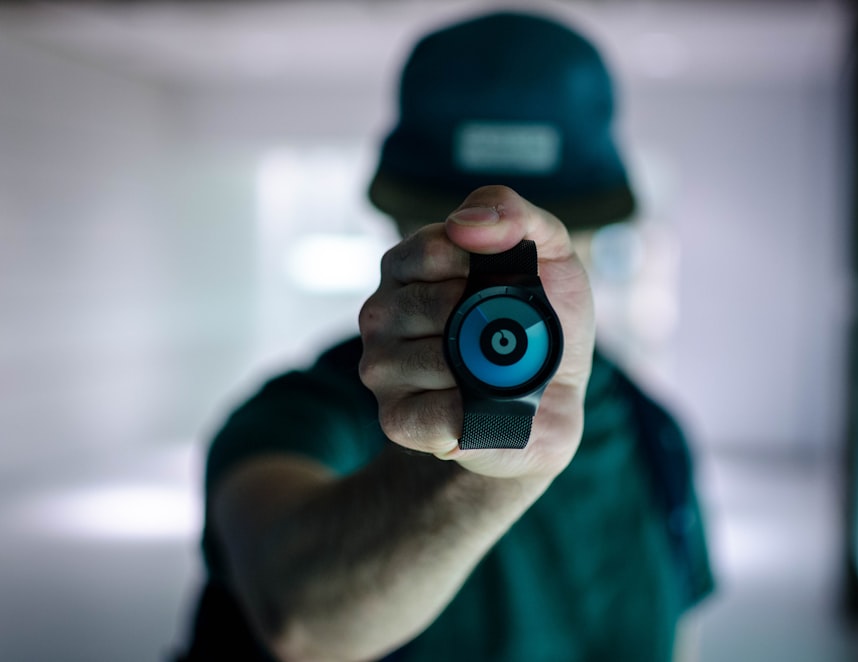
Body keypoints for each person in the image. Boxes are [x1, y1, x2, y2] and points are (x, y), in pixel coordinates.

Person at [178, 10, 712, 662]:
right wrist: (494, 463)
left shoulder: (651, 432)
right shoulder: (302, 416)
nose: (503, 276)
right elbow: (302, 618)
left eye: (552, 235)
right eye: (465, 237)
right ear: (402, 232)